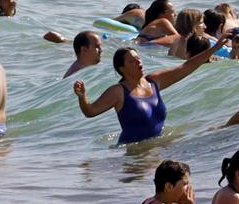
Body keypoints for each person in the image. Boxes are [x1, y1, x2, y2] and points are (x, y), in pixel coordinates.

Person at [73, 42, 227, 145]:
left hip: (158, 145)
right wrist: (82, 97)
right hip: (135, 153)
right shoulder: (118, 91)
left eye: (138, 58)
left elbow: (185, 67)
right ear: (121, 69)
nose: (138, 62)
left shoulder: (154, 82)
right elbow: (91, 111)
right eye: (131, 61)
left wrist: (215, 48)